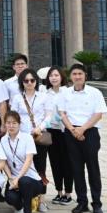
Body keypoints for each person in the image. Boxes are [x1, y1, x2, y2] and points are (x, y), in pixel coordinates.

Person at [58, 64, 107, 213]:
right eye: (74, 74)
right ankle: (82, 202)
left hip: (90, 133)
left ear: (85, 75)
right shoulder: (65, 93)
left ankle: (97, 203)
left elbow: (98, 114)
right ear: (70, 76)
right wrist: (73, 130)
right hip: (71, 133)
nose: (77, 76)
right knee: (76, 169)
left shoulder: (95, 92)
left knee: (93, 169)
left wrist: (83, 129)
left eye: (80, 73)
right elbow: (62, 114)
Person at [8, 68, 50, 203]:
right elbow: (14, 116)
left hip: (38, 137)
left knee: (40, 168)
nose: (29, 83)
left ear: (36, 81)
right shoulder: (17, 98)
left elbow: (49, 116)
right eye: (26, 81)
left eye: (32, 80)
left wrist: (39, 128)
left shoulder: (43, 96)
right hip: (22, 138)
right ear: (22, 82)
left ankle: (41, 199)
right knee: (24, 166)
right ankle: (25, 195)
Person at [0, 111, 44, 213]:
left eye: (14, 123)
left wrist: (18, 178)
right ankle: (20, 207)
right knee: (9, 197)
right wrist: (10, 178)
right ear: (5, 124)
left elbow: (29, 160)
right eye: (8, 123)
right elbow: (4, 162)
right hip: (14, 179)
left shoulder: (27, 138)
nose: (11, 126)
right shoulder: (3, 140)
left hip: (32, 180)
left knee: (24, 181)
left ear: (19, 124)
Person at [43, 66, 73, 205]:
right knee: (55, 162)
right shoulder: (45, 93)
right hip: (51, 131)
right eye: (51, 75)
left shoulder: (68, 92)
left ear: (61, 77)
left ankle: (68, 193)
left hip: (65, 131)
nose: (53, 78)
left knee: (67, 162)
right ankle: (59, 192)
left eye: (56, 75)